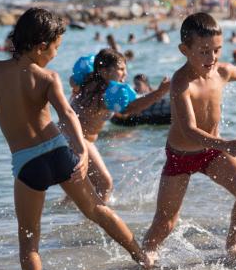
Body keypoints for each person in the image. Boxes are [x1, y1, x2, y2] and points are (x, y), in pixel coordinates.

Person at [0, 8, 151, 270]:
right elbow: (68, 116)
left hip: (27, 163)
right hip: (59, 152)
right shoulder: (48, 78)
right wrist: (82, 153)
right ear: (40, 47)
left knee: (29, 238)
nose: (57, 54)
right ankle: (143, 258)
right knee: (97, 211)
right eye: (56, 48)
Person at [142, 13, 236, 263]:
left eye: (217, 50)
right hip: (181, 157)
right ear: (185, 50)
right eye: (204, 51)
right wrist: (226, 144)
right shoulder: (181, 82)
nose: (212, 58)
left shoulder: (221, 72)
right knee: (165, 223)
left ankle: (232, 244)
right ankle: (145, 257)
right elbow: (188, 130)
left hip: (211, 153)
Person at [72, 48, 170, 202]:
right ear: (104, 71)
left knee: (80, 189)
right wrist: (159, 92)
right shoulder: (106, 92)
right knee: (105, 185)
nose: (125, 74)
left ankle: (62, 218)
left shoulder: (87, 80)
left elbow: (72, 81)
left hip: (68, 136)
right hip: (80, 140)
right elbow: (130, 109)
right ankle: (97, 222)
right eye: (121, 69)